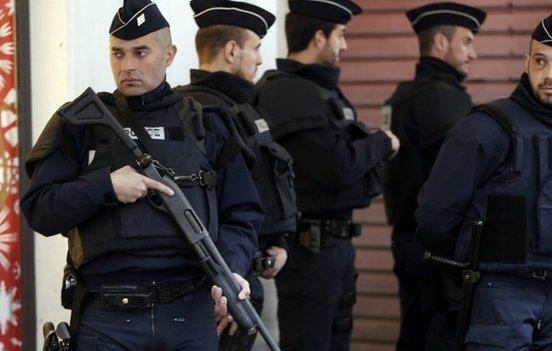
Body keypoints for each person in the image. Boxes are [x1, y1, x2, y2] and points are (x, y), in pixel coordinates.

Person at [20, 0, 264, 349]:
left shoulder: (207, 125)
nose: (127, 65)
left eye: (140, 52)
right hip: (108, 317)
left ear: (169, 54)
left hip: (190, 313)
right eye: (117, 54)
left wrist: (233, 270)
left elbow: (242, 214)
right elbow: (39, 211)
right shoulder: (80, 124)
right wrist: (105, 185)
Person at [417, 7, 552, 350]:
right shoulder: (486, 129)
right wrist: (472, 269)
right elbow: (434, 217)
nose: (550, 73)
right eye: (540, 61)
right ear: (526, 61)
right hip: (501, 295)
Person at [253, 1, 400, 350]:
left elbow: (360, 174)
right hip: (309, 253)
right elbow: (335, 167)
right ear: (319, 37)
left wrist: (362, 158)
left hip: (335, 247)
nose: (345, 46)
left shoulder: (322, 91)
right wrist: (380, 144)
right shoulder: (287, 91)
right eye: (341, 36)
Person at [175, 1, 294, 350]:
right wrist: (226, 284)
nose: (260, 59)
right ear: (231, 50)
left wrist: (279, 245)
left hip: (247, 278)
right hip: (217, 293)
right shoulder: (195, 113)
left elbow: (260, 191)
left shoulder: (242, 107)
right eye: (255, 48)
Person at [381, 3, 486, 350]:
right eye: (467, 42)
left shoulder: (404, 96)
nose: (473, 53)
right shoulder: (440, 99)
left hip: (413, 245)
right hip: (438, 256)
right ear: (440, 43)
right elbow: (465, 180)